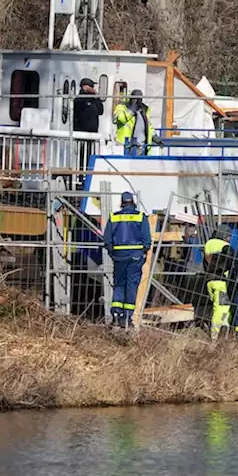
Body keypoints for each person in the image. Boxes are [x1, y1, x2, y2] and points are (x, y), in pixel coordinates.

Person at [103, 192, 151, 328]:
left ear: (122, 203)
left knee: (119, 284)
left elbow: (107, 239)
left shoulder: (113, 217)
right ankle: (128, 317)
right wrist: (143, 251)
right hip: (136, 256)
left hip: (119, 255)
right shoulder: (140, 217)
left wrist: (113, 252)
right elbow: (147, 240)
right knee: (132, 286)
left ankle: (116, 315)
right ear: (133, 202)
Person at [203, 227, 235, 339]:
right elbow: (231, 264)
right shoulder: (226, 247)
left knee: (217, 307)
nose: (230, 239)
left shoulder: (209, 244)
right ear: (225, 236)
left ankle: (221, 334)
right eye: (229, 236)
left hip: (209, 281)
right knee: (222, 309)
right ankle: (216, 336)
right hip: (221, 282)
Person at [72, 78, 104, 182]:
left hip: (92, 133)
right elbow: (79, 110)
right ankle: (80, 177)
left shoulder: (94, 99)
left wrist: (96, 97)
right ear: (85, 87)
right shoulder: (79, 99)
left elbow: (100, 111)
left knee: (90, 155)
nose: (93, 88)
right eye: (91, 86)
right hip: (81, 133)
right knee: (81, 157)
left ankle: (88, 177)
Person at [115, 89, 156, 155]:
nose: (137, 101)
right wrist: (131, 110)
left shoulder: (145, 109)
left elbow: (149, 126)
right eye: (135, 98)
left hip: (142, 147)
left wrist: (155, 136)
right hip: (126, 146)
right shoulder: (122, 107)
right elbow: (121, 118)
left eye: (139, 99)